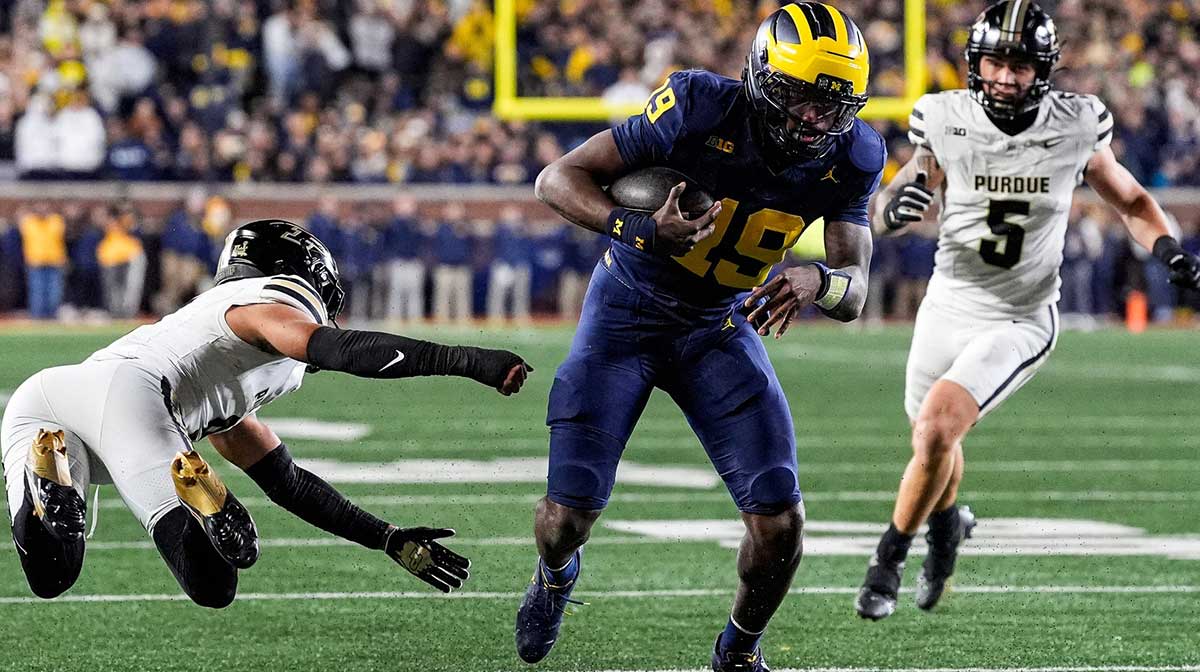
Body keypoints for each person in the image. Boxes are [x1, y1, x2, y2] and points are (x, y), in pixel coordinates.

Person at [518, 4, 882, 670]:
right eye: (802, 98)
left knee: (782, 526)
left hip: (717, 325)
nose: (815, 120)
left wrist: (819, 282)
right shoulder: (697, 108)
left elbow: (857, 287)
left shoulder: (854, 154)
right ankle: (556, 576)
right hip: (624, 315)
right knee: (562, 523)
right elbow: (558, 177)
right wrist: (639, 229)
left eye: (833, 106)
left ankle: (738, 652)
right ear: (766, 77)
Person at [855, 0, 1200, 621]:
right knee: (933, 445)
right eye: (996, 62)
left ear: (1042, 70)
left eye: (1019, 65)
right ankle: (946, 527)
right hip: (947, 302)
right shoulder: (944, 117)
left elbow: (1131, 201)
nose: (1007, 77)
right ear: (975, 63)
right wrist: (891, 210)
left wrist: (1170, 250)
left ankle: (889, 559)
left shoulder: (1074, 125)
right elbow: (891, 202)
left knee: (937, 427)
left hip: (1018, 315)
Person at [2, 220, 531, 607]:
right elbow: (340, 351)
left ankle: (55, 482)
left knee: (51, 576)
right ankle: (212, 510)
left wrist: (385, 536)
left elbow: (289, 482)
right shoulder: (264, 303)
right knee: (215, 585)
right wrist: (468, 360)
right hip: (135, 398)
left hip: (44, 400)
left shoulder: (207, 347)